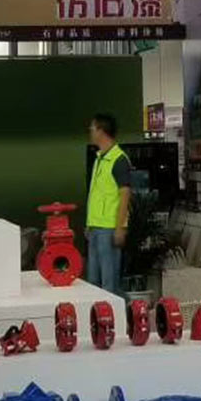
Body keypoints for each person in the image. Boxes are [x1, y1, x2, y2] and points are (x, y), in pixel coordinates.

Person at [84, 112, 132, 292]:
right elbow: (97, 195)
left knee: (108, 282)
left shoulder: (119, 160)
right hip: (96, 228)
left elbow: (125, 195)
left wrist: (120, 228)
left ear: (101, 131)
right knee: (93, 281)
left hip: (109, 229)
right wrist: (89, 224)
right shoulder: (99, 159)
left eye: (93, 127)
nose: (90, 131)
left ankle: (116, 310)